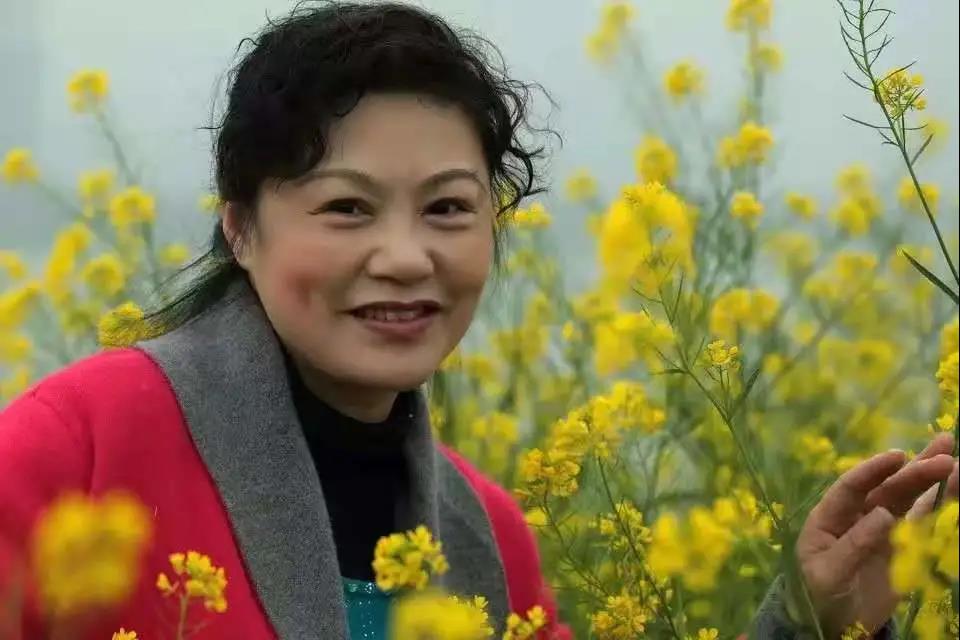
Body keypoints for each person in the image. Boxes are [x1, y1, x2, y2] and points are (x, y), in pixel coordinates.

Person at [1, 3, 957, 639]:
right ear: (240, 228)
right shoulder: (79, 443)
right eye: (347, 207)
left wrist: (807, 619)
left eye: (449, 208)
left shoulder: (489, 535)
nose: (406, 255)